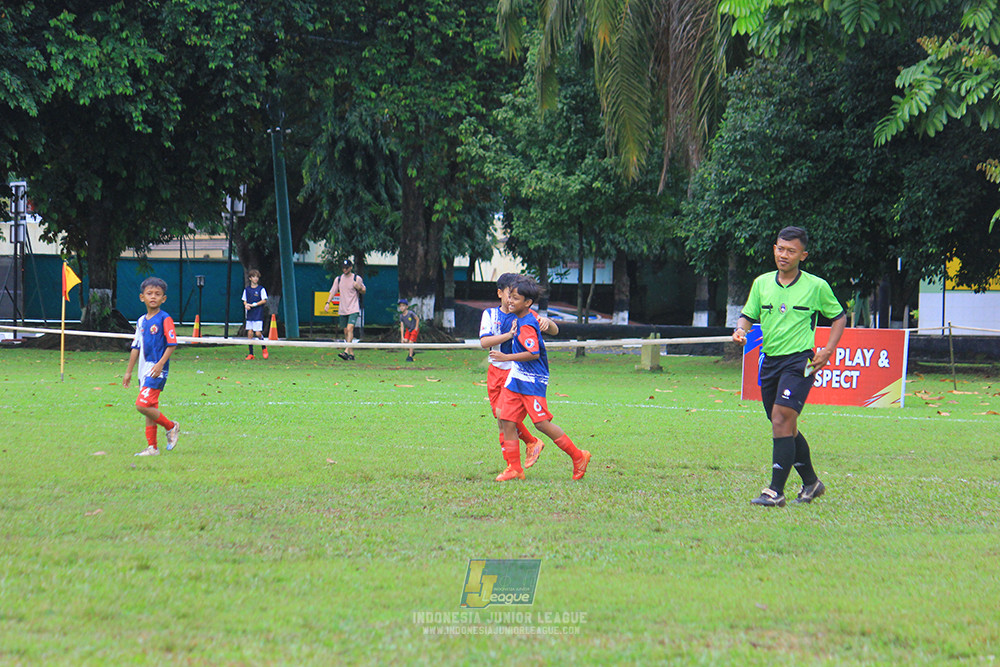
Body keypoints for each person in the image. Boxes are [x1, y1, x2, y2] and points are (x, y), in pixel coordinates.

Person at [732, 226, 846, 507]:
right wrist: (740, 330)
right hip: (770, 361)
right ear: (774, 249)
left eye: (791, 251)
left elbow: (838, 317)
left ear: (803, 255)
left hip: (800, 361)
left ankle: (775, 491)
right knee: (783, 424)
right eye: (780, 249)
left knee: (782, 418)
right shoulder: (762, 283)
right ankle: (812, 483)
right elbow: (747, 315)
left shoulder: (816, 286)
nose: (784, 255)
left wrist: (827, 350)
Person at [489, 275, 589, 482]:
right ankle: (514, 468)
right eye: (510, 296)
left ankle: (579, 456)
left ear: (527, 303)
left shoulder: (526, 324)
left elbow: (533, 353)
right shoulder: (521, 315)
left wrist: (506, 357)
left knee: (541, 424)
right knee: (506, 419)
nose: (510, 301)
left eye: (515, 298)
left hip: (532, 381)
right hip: (516, 378)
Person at [123, 277, 180, 457]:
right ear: (142, 297)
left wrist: (160, 364)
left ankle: (171, 426)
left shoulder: (165, 319)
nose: (153, 297)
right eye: (149, 293)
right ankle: (152, 448)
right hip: (143, 369)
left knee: (141, 405)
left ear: (164, 298)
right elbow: (136, 347)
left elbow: (172, 344)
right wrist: (128, 372)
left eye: (157, 294)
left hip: (157, 369)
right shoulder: (141, 321)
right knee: (150, 408)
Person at [324, 259, 366, 360]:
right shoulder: (338, 279)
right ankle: (351, 354)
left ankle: (346, 351)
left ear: (351, 268)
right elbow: (333, 291)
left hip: (353, 308)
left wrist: (359, 287)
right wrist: (328, 303)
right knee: (346, 332)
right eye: (343, 268)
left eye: (347, 268)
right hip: (343, 309)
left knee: (350, 328)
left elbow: (364, 290)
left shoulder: (356, 278)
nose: (345, 269)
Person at [242, 269, 268, 360]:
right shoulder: (247, 290)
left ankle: (264, 347)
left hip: (258, 314)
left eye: (257, 277)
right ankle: (251, 353)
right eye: (253, 277)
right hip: (250, 314)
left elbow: (264, 300)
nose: (255, 279)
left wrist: (255, 304)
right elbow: (244, 300)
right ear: (250, 278)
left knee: (258, 333)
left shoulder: (261, 289)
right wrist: (246, 305)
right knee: (250, 333)